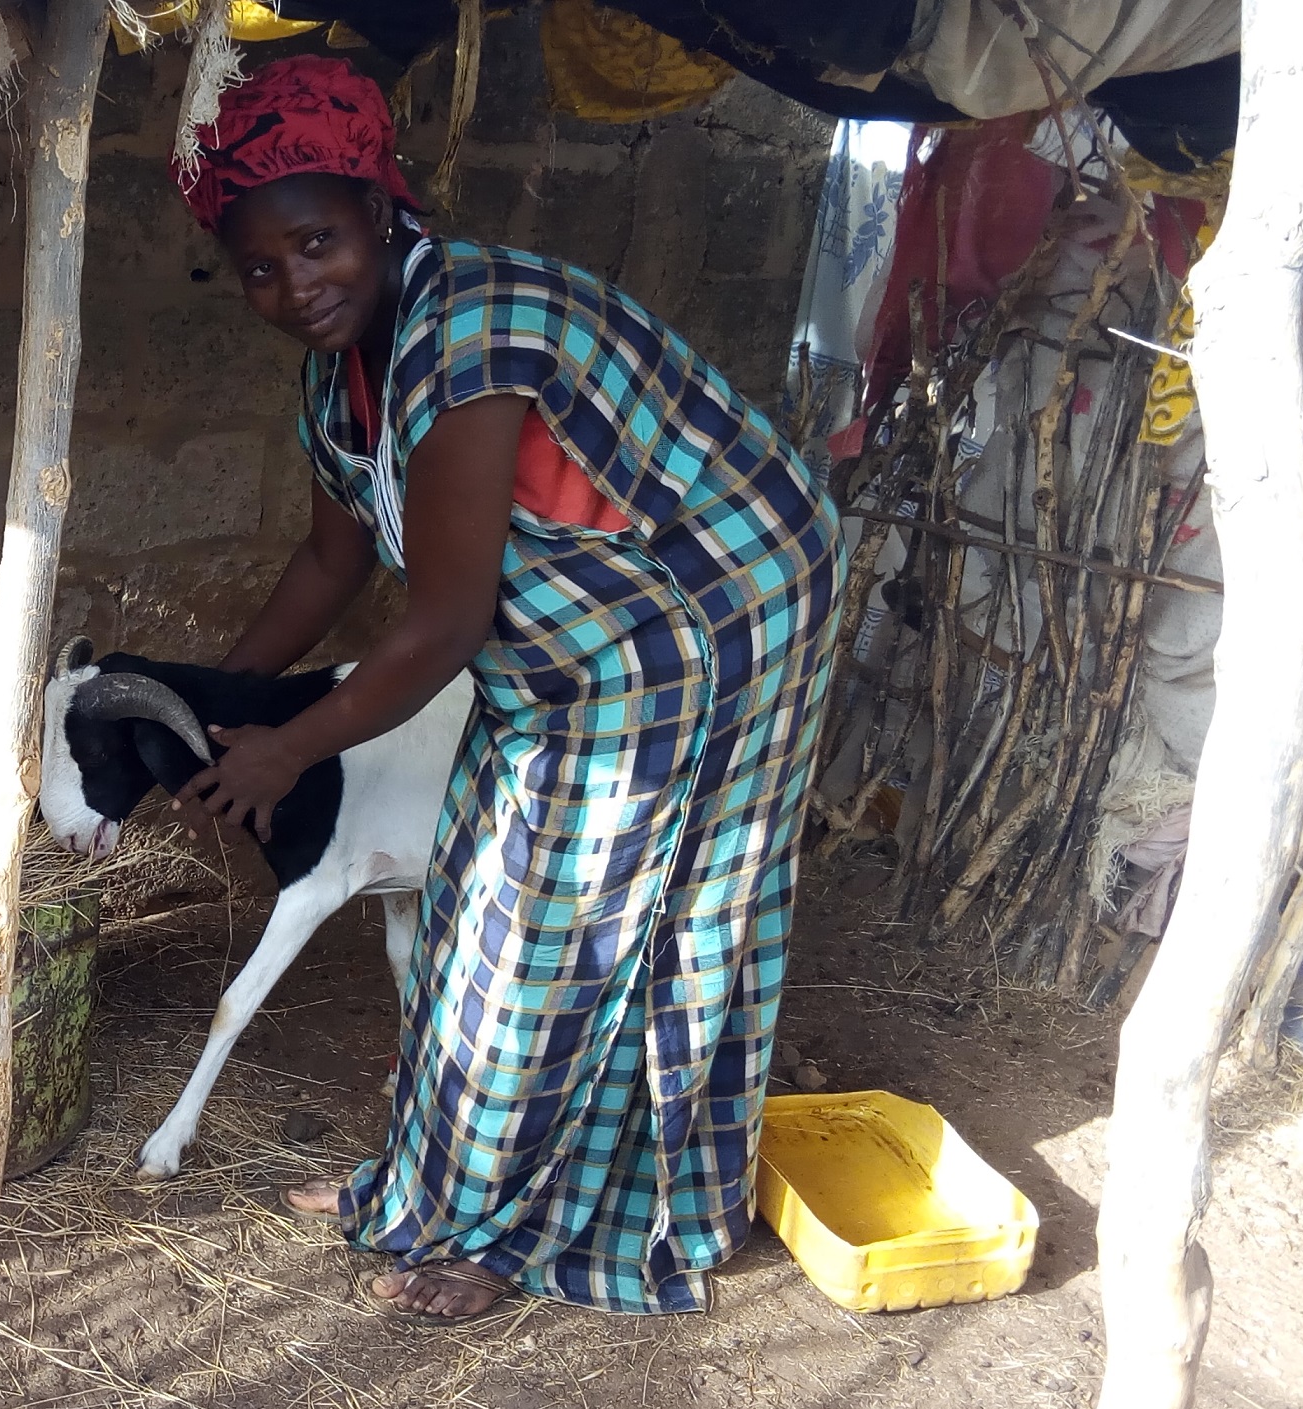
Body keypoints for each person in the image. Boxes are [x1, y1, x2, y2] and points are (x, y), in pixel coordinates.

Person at [165, 56, 843, 1322]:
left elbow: (443, 625)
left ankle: (526, 1228)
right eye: (259, 268)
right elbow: (330, 561)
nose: (294, 286)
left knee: (576, 921)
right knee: (480, 896)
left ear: (381, 211)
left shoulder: (469, 337)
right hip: (580, 634)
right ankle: (433, 1187)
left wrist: (289, 748)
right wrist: (216, 701)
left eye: (315, 243)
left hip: (712, 614)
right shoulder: (343, 372)